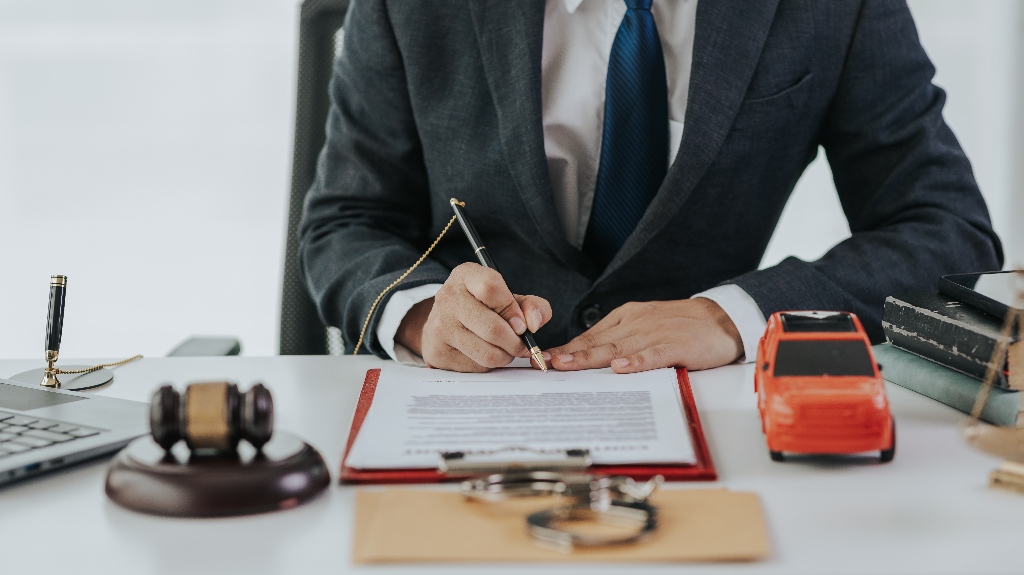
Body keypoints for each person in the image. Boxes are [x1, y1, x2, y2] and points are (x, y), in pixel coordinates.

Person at [299, 0, 1002, 374]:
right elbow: (346, 221)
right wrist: (422, 314)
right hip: (470, 409)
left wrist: (735, 315)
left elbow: (945, 229)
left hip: (714, 419)